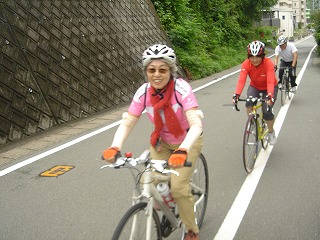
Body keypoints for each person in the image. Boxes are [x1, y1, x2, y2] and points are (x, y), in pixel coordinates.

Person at [101, 44, 203, 240]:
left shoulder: (182, 89)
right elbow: (128, 121)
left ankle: (191, 229)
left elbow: (196, 125)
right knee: (150, 183)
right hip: (162, 143)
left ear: (171, 71)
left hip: (187, 142)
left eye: (162, 70)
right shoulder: (143, 92)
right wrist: (115, 146)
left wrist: (182, 150)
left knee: (179, 188)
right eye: (151, 70)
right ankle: (168, 205)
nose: (157, 75)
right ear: (146, 72)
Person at [232, 40, 278, 145]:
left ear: (263, 56)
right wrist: (237, 94)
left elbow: (270, 81)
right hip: (255, 86)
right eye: (252, 57)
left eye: (258, 56)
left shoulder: (268, 63)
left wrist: (270, 95)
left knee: (266, 111)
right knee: (248, 103)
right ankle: (252, 122)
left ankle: (271, 132)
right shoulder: (246, 64)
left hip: (269, 87)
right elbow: (241, 80)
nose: (255, 60)